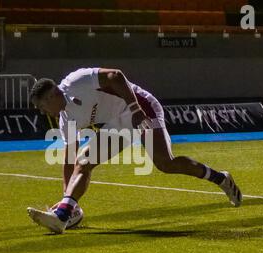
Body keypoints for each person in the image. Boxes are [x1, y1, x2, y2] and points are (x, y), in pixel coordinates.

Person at [27, 67, 242, 234]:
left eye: (41, 106)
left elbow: (115, 75)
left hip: (140, 107)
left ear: (51, 97)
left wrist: (135, 107)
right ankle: (65, 214)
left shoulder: (76, 81)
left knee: (165, 163)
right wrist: (66, 197)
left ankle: (221, 178)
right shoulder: (66, 120)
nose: (42, 111)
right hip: (117, 122)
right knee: (83, 161)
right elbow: (69, 158)